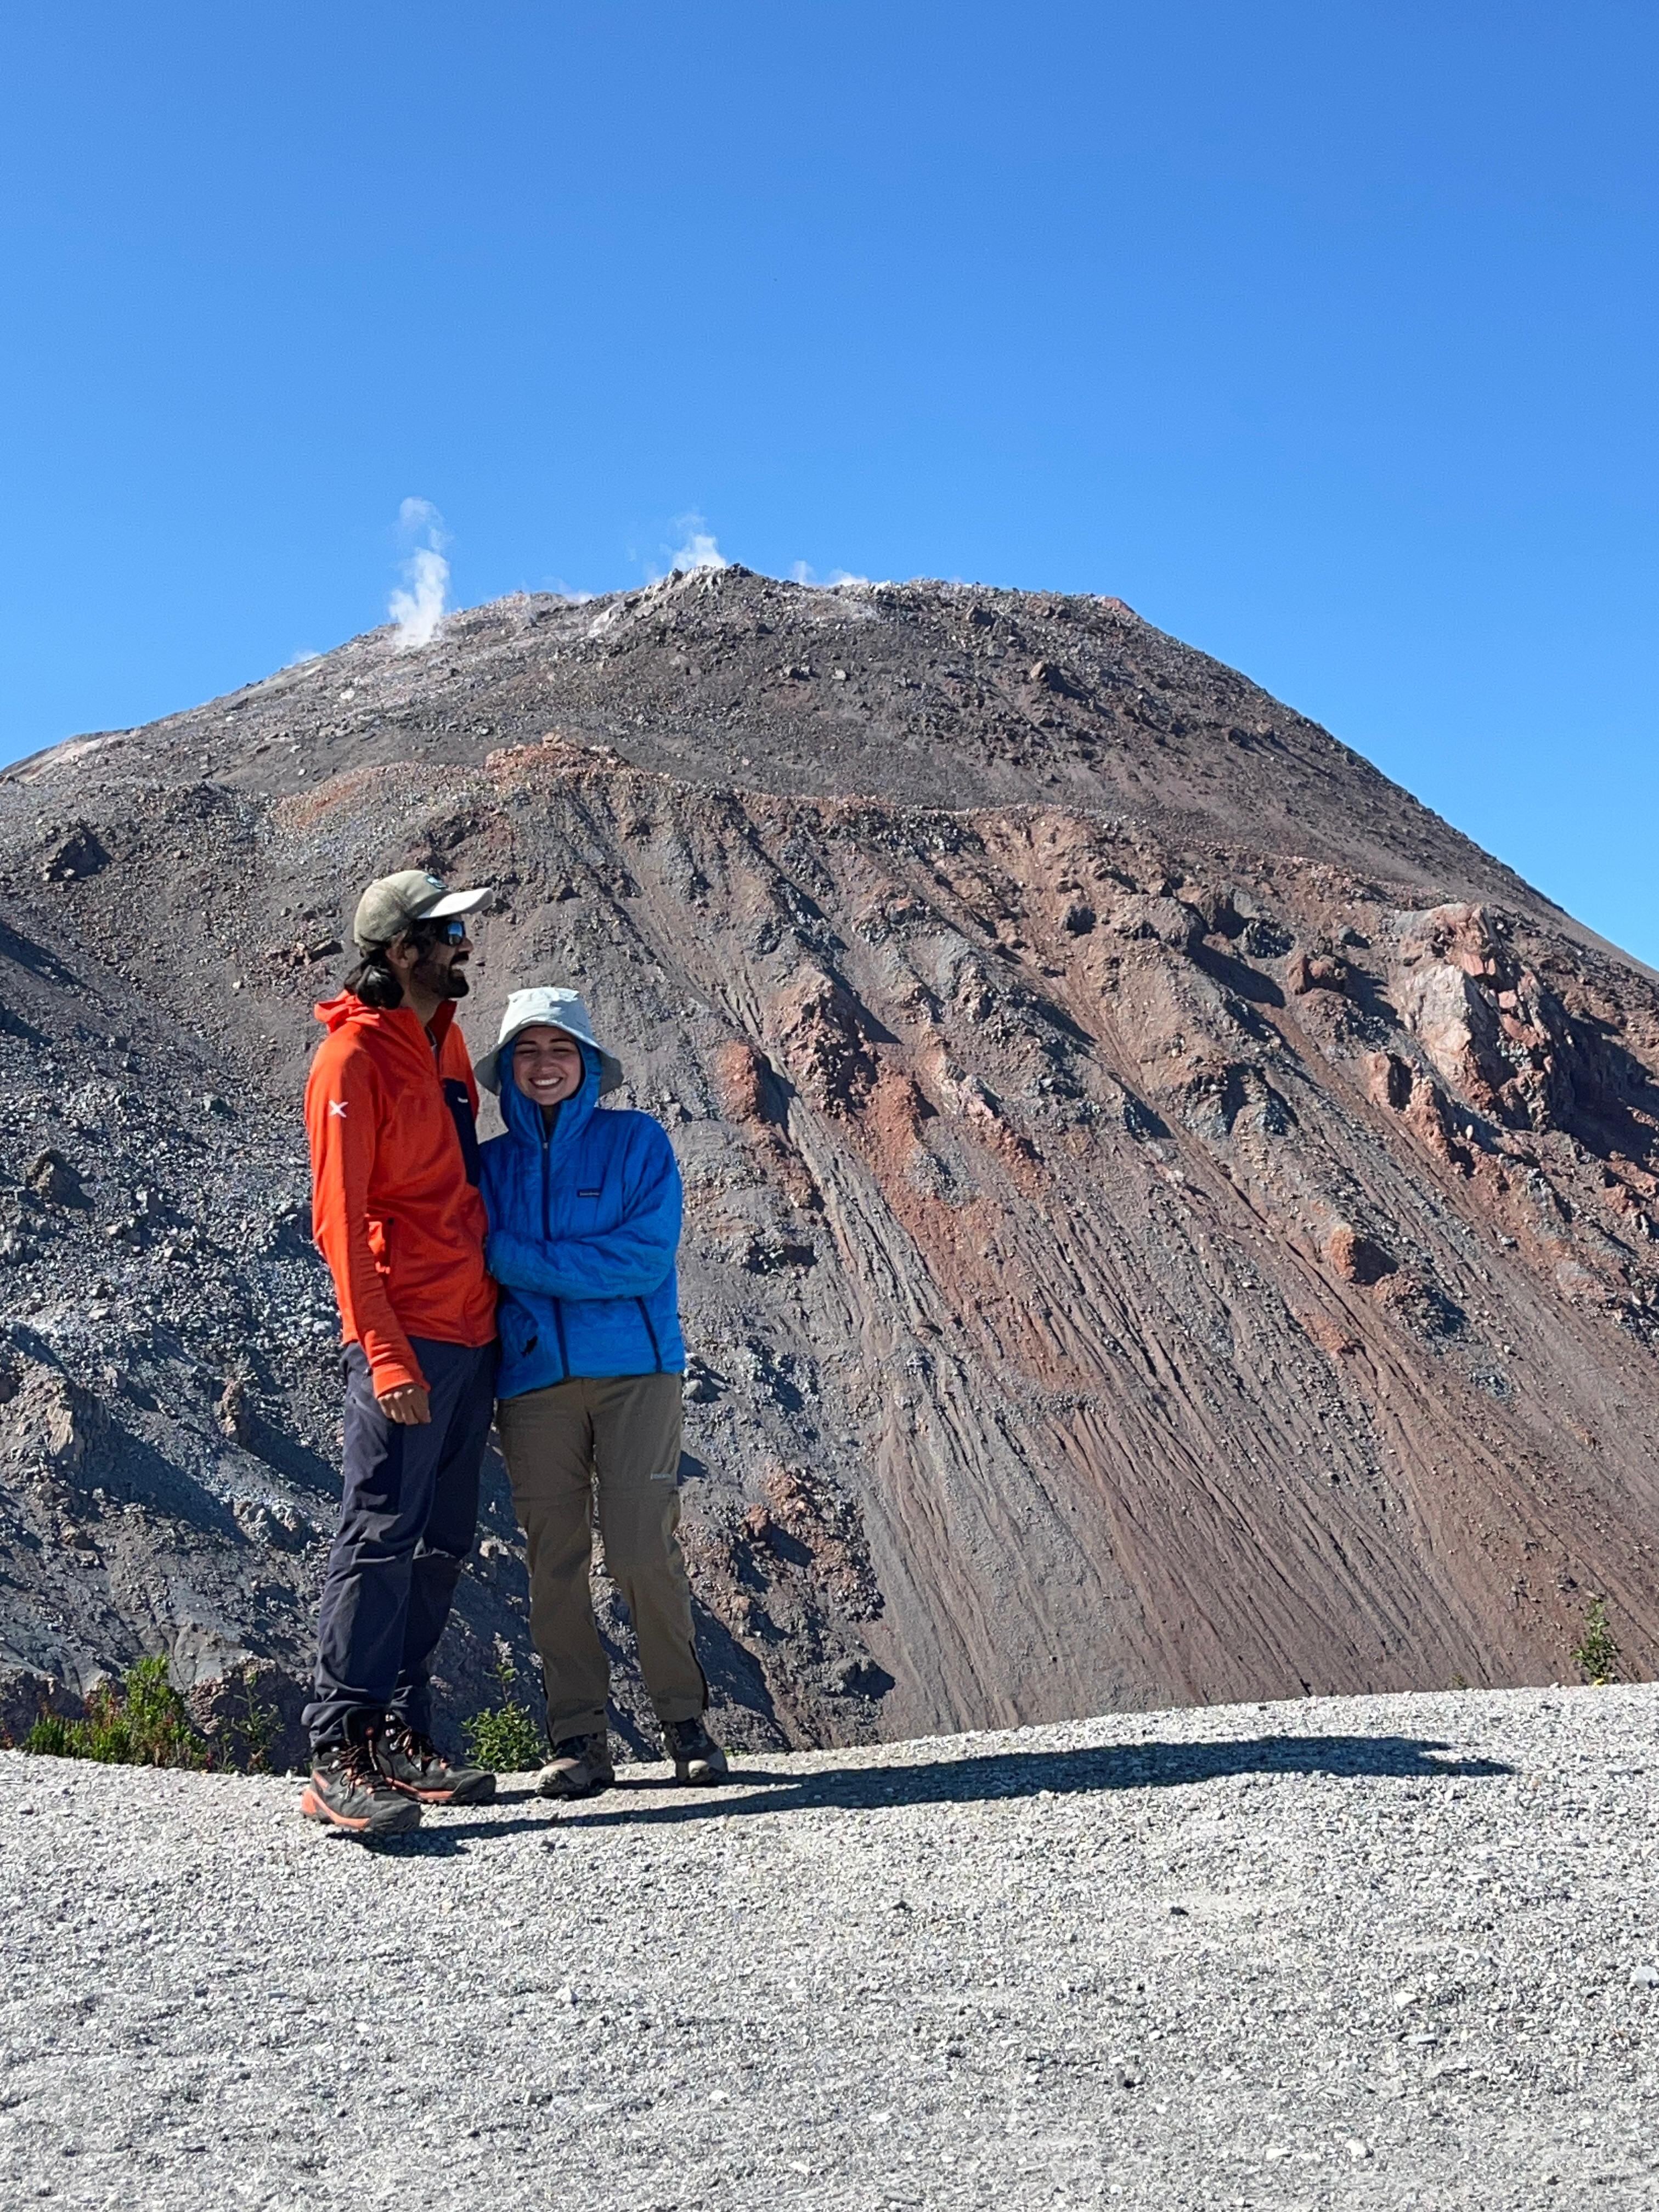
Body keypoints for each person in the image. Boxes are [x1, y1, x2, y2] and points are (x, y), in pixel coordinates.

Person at [476, 985, 727, 1797]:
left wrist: (510, 1257)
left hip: (636, 1377)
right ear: (508, 1070)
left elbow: (643, 1262)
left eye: (560, 1052)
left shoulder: (637, 1144)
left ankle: (684, 1723)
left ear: (587, 1065)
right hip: (532, 1385)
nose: (544, 1066)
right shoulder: (489, 1163)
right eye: (528, 1052)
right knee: (555, 1561)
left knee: (640, 1548)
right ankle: (580, 1740)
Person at [298, 869, 501, 1836]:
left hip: (471, 1331)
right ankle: (338, 1747)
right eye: (448, 929)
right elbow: (340, 1225)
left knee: (440, 1542)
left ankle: (397, 1733)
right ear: (400, 949)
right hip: (408, 1338)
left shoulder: (446, 1041)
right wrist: (384, 1357)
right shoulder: (351, 1063)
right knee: (377, 1535)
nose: (465, 942)